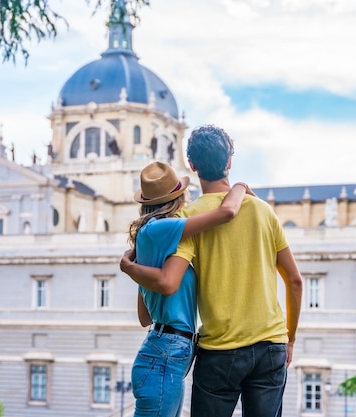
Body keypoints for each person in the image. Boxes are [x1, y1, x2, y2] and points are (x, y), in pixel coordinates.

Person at [121, 125, 303, 417]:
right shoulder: (263, 211)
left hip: (220, 350)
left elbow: (166, 281)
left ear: (192, 167)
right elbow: (294, 280)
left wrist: (132, 267)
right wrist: (290, 339)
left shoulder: (189, 218)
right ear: (229, 162)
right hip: (271, 346)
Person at [125, 160, 252, 417]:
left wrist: (133, 270)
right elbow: (227, 213)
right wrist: (240, 186)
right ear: (179, 197)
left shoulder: (148, 238)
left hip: (163, 351)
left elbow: (144, 316)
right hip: (166, 353)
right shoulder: (161, 228)